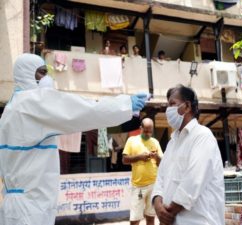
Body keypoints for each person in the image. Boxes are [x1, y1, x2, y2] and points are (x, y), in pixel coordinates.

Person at [0, 53, 147, 225]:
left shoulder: (11, 109)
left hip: (15, 206)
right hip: (30, 211)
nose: (46, 78)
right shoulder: (32, 103)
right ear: (27, 74)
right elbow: (85, 111)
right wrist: (126, 104)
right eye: (41, 73)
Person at [152, 85, 225, 225]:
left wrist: (168, 213)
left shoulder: (202, 136)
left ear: (187, 106)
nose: (168, 110)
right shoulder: (172, 142)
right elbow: (160, 177)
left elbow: (193, 180)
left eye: (172, 104)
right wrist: (157, 204)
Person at [122, 118, 163, 225]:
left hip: (154, 185)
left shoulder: (155, 142)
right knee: (135, 219)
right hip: (138, 186)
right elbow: (124, 160)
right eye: (146, 131)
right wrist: (140, 157)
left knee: (150, 217)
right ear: (140, 128)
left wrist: (156, 157)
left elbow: (162, 163)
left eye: (150, 131)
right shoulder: (131, 140)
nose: (148, 133)